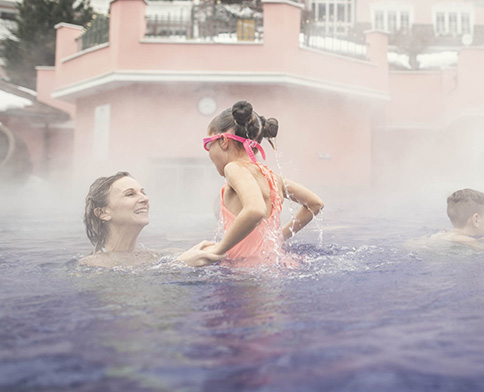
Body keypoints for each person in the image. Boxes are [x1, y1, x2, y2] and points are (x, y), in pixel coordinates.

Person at [200, 100, 324, 266]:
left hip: (243, 271)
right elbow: (315, 204)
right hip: (274, 264)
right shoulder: (273, 177)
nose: (209, 153)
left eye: (208, 144)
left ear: (223, 141)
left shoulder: (234, 168)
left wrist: (219, 249)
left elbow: (255, 209)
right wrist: (279, 238)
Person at [80, 171, 225, 268]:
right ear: (103, 213)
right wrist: (178, 265)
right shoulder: (93, 263)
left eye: (143, 192)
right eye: (130, 194)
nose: (145, 198)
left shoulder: (160, 254)